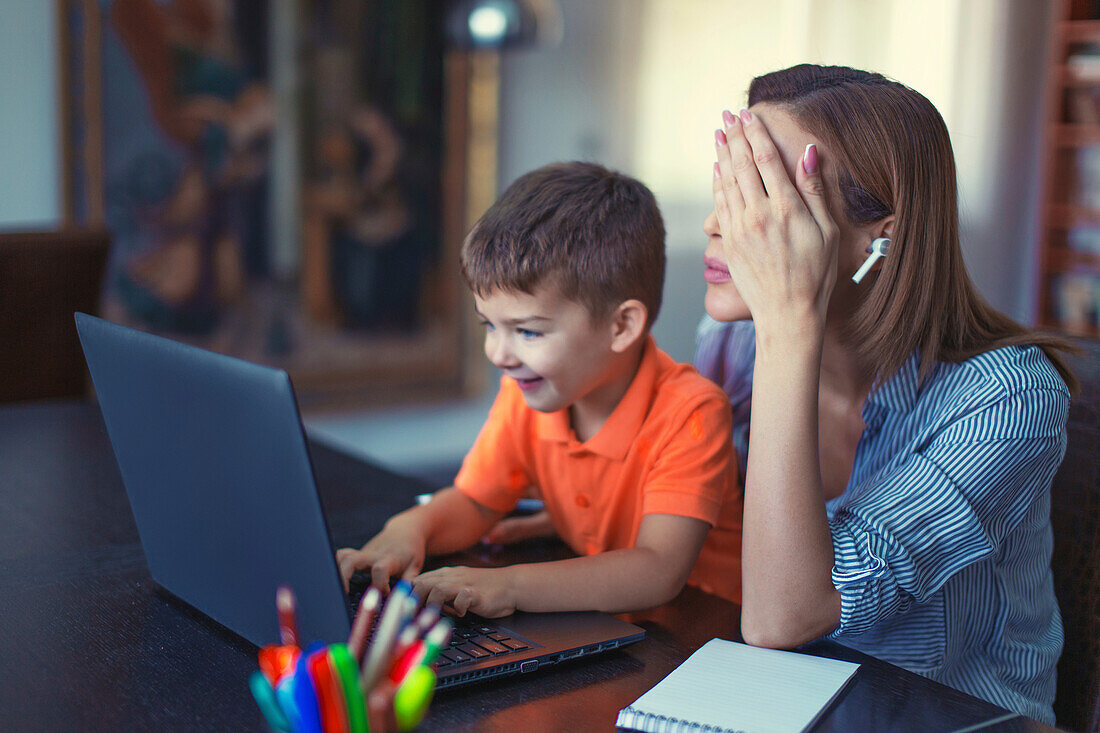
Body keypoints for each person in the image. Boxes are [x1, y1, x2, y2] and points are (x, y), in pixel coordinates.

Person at [697, 64, 1076, 724]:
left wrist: (790, 326)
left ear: (883, 237)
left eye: (767, 198)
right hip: (786, 700)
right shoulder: (732, 345)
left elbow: (785, 614)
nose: (719, 225)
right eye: (728, 192)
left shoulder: (1010, 399)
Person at [336, 161, 743, 614]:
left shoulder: (691, 412)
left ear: (622, 324)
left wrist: (507, 587)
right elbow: (476, 501)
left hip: (704, 638)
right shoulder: (528, 391)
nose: (498, 353)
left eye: (527, 332)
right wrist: (409, 529)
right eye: (489, 325)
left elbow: (657, 570)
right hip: (606, 629)